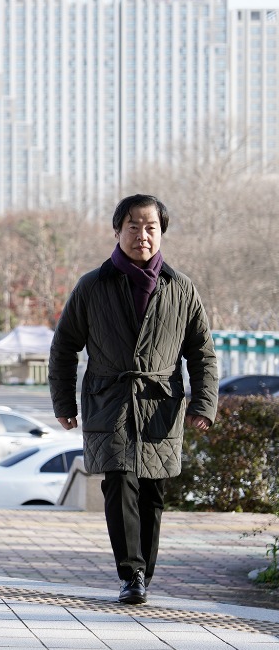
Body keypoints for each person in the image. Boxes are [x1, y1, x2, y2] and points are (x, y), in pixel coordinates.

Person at [49, 194, 218, 606]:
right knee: (119, 482)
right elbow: (64, 347)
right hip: (110, 401)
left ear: (161, 232)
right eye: (133, 226)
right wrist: (64, 404)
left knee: (152, 493)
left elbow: (202, 351)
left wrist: (203, 404)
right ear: (117, 230)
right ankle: (132, 574)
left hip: (161, 403)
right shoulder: (92, 285)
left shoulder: (181, 288)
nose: (142, 235)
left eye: (150, 227)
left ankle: (144, 573)